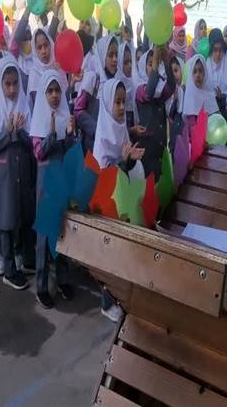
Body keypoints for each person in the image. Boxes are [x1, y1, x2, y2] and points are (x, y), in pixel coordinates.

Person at [92, 79, 145, 322]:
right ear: (107, 103)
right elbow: (104, 175)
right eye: (117, 102)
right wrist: (123, 161)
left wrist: (130, 158)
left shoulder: (120, 126)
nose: (123, 107)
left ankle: (120, 296)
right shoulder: (104, 134)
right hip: (107, 202)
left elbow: (123, 166)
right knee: (109, 251)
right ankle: (107, 301)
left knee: (122, 250)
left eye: (124, 101)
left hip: (121, 197)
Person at [0, 56, 36, 291]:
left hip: (22, 172)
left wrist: (20, 132)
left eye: (15, 83)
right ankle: (8, 270)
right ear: (1, 84)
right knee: (5, 220)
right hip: (3, 175)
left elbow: (32, 141)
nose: (12, 89)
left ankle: (22, 259)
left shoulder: (24, 105)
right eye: (8, 84)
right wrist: (8, 131)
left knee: (23, 216)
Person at [30, 70, 76, 308]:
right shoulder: (39, 118)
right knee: (44, 235)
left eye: (57, 90)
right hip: (45, 182)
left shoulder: (65, 115)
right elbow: (38, 153)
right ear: (43, 94)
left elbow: (70, 151)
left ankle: (63, 278)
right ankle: (41, 285)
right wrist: (50, 135)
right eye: (50, 91)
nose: (55, 95)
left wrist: (68, 135)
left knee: (61, 231)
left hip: (61, 180)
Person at [134, 46, 175, 180]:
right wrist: (156, 64)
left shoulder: (160, 87)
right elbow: (149, 92)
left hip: (160, 145)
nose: (153, 66)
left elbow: (171, 86)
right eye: (150, 64)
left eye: (155, 63)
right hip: (147, 147)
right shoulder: (139, 88)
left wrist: (166, 62)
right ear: (142, 66)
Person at [74, 34, 118, 154]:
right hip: (92, 147)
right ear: (102, 55)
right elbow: (78, 110)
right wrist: (97, 130)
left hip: (110, 149)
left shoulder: (115, 82)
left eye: (116, 55)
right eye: (110, 55)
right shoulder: (92, 78)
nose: (115, 59)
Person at [182, 54, 219, 135]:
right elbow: (190, 127)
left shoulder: (209, 94)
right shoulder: (190, 96)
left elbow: (216, 120)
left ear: (205, 73)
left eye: (200, 71)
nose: (197, 75)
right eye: (194, 72)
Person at [206, 28, 227, 118]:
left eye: (220, 50)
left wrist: (222, 96)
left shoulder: (226, 65)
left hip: (223, 110)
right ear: (211, 50)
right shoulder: (205, 66)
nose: (218, 53)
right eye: (215, 50)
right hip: (208, 111)